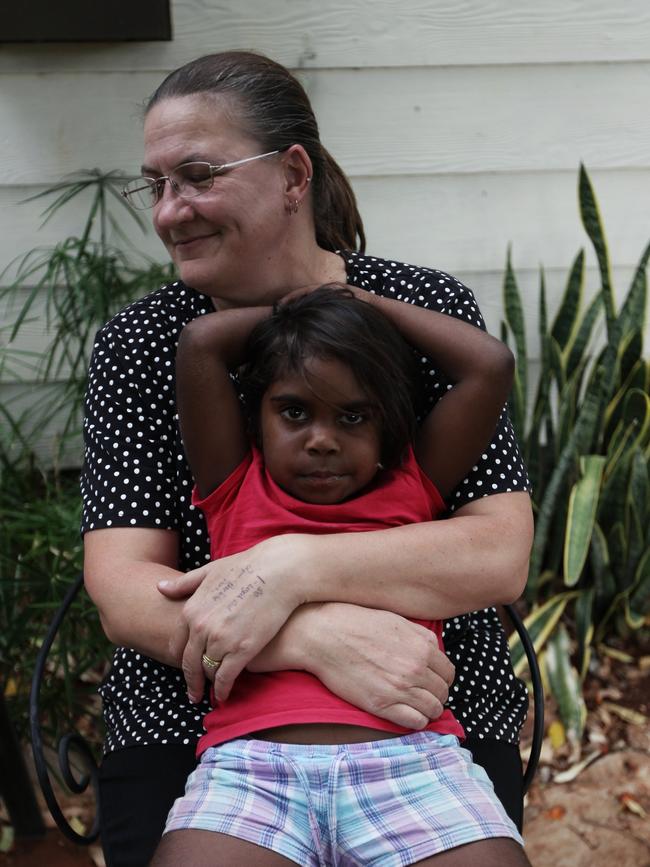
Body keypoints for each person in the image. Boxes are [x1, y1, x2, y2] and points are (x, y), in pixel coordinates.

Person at [81, 51, 533, 867]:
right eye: (156, 185)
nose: (169, 212)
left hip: (423, 697)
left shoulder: (419, 313)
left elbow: (497, 555)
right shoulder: (144, 344)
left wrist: (288, 568)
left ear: (294, 174)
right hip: (196, 708)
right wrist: (311, 637)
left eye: (197, 176)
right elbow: (123, 589)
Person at [147, 284, 527, 865]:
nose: (322, 440)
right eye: (294, 412)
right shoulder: (234, 487)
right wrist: (301, 313)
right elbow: (201, 342)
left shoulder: (412, 487)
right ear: (258, 418)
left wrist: (361, 303)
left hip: (414, 764)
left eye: (353, 417)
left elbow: (490, 364)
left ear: (385, 431)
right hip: (251, 770)